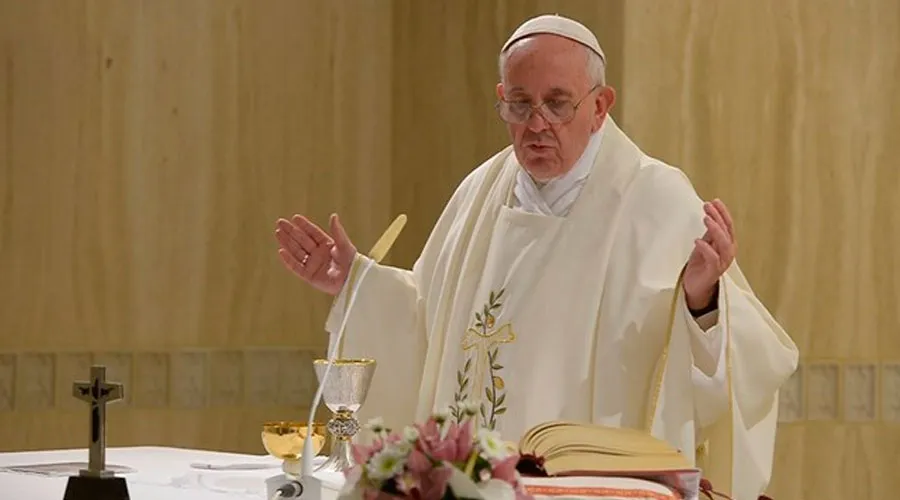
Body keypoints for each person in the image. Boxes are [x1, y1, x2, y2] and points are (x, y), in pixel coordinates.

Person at [274, 14, 798, 500]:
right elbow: (425, 318)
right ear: (501, 99)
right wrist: (357, 285)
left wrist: (703, 298)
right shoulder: (479, 192)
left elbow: (746, 362)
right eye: (520, 104)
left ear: (600, 105)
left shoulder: (659, 201)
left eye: (558, 103)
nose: (536, 123)